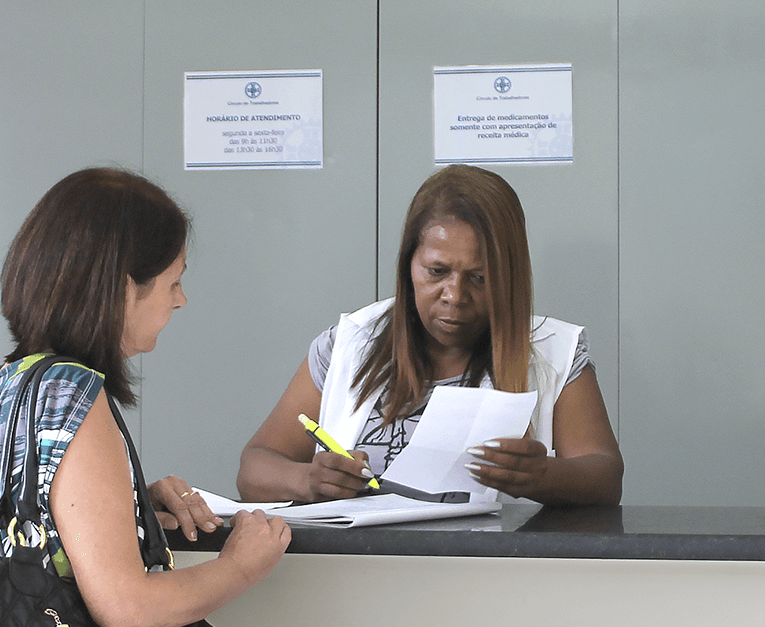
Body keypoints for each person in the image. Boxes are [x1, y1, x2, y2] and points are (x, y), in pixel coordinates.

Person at [0, 167, 291, 627]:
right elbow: (127, 608)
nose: (181, 300)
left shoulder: (8, 385)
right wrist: (241, 565)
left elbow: (38, 528)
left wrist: (127, 506)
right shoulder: (74, 395)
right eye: (173, 282)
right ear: (124, 288)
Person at [238, 164, 622, 506]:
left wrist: (544, 477)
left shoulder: (553, 352)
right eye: (436, 272)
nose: (454, 296)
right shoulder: (349, 345)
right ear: (409, 265)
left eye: (480, 278)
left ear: (509, 277)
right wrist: (308, 480)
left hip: (501, 578)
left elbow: (605, 477)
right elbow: (255, 467)